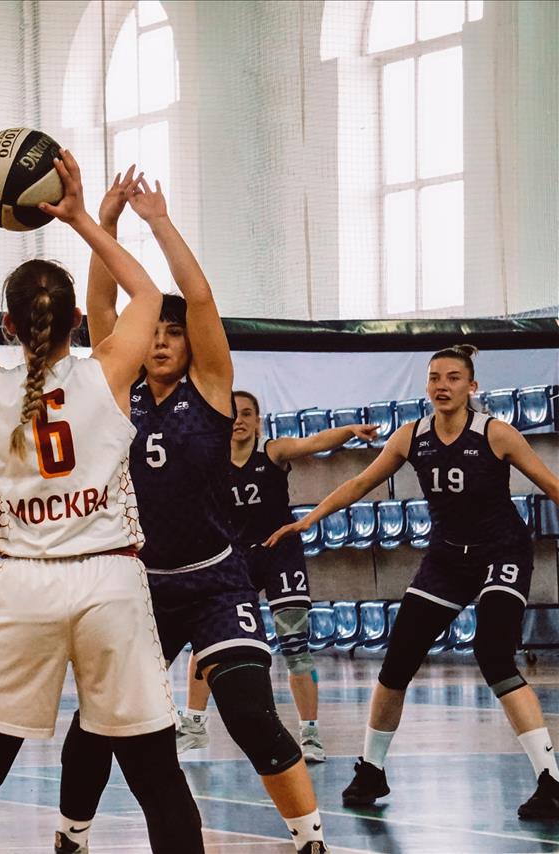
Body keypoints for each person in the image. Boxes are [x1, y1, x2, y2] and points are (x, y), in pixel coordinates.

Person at [0, 154, 203, 854]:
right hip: (111, 580)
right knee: (157, 776)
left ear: (7, 326)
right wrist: (81, 218)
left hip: (27, 585)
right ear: (78, 318)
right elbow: (147, 294)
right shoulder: (111, 372)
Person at [59, 172, 327, 854]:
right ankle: (71, 836)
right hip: (138, 586)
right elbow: (100, 304)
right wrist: (102, 223)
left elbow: (200, 298)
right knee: (98, 722)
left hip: (216, 583)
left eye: (173, 334)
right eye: (152, 332)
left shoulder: (210, 389)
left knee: (250, 715)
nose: (159, 342)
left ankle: (309, 840)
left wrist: (158, 222)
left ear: (189, 345)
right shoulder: (117, 388)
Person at [268, 344, 559, 820]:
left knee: (493, 654)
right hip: (447, 558)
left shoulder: (496, 433)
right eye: (434, 378)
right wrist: (309, 519)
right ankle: (371, 770)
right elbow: (359, 483)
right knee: (398, 659)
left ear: (471, 386)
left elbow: (551, 485)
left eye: (453, 377)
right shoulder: (412, 436)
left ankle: (550, 780)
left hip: (501, 552)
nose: (442, 386)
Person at [176, 393, 379, 762]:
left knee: (295, 646)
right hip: (235, 558)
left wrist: (349, 430)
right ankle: (194, 724)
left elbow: (313, 443)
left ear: (258, 421)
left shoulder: (272, 451)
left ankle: (310, 734)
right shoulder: (211, 457)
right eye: (233, 414)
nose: (239, 420)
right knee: (206, 640)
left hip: (279, 553)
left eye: (247, 414)